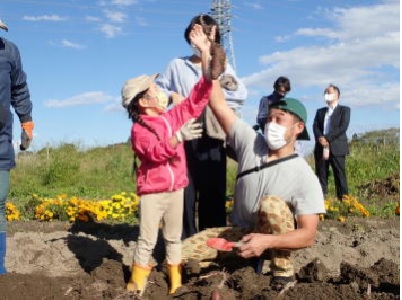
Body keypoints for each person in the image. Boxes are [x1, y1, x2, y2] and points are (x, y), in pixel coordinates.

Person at [182, 86, 325, 290]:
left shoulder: (305, 176)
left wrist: (265, 242)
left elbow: (308, 235)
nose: (271, 125)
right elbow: (219, 105)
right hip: (240, 235)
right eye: (269, 119)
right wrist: (209, 63)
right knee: (179, 255)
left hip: (274, 242)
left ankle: (283, 275)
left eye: (279, 119)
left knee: (272, 204)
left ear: (298, 127)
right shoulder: (251, 144)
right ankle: (240, 264)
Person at [121, 24, 224, 295]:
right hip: (153, 192)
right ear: (142, 102)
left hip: (175, 188)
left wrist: (205, 57)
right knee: (146, 239)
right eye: (153, 89)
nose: (159, 91)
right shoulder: (139, 129)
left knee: (174, 238)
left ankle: (175, 284)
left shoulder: (171, 117)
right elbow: (154, 153)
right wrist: (177, 138)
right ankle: (136, 285)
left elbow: (195, 100)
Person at [156, 14, 247, 239]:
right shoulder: (177, 65)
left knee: (213, 191)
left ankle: (211, 240)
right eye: (196, 34)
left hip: (213, 135)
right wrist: (171, 95)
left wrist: (217, 91)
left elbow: (240, 94)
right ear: (189, 36)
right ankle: (183, 240)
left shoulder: (223, 65)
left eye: (207, 34)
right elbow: (158, 90)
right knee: (184, 191)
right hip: (183, 134)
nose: (200, 40)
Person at [0, 18, 34, 275]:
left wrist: (27, 121)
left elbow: (19, 88)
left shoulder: (9, 51)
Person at [313, 84, 351, 200]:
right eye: (325, 93)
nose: (326, 95)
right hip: (321, 147)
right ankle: (321, 202)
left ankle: (344, 202)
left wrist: (327, 138)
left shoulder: (344, 110)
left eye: (329, 92)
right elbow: (315, 127)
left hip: (337, 146)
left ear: (337, 95)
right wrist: (320, 138)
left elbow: (343, 127)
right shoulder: (320, 111)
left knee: (340, 175)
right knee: (321, 174)